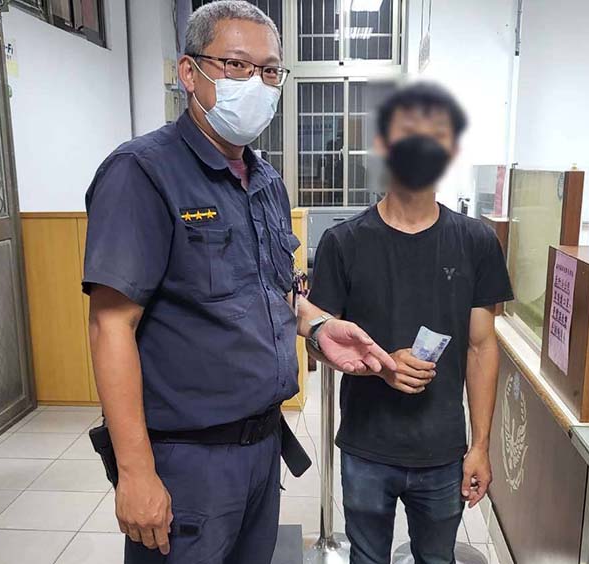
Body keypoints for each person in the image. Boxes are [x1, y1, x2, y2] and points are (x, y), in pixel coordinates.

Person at [82, 2, 396, 563]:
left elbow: (274, 291)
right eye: (235, 65)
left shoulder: (265, 180)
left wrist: (319, 326)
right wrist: (135, 472)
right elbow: (111, 327)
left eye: (269, 70)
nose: (255, 82)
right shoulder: (143, 173)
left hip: (261, 449)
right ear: (189, 72)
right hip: (187, 460)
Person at [308, 82, 514, 564]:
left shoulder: (476, 242)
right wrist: (380, 364)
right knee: (367, 557)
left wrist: (481, 446)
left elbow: (482, 348)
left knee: (437, 559)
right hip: (367, 445)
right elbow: (320, 341)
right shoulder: (344, 243)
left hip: (443, 451)